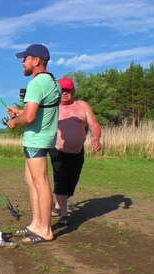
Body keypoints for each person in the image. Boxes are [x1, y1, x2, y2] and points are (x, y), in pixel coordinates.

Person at [6, 44, 60, 244]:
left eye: (25, 58)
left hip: (36, 139)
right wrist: (19, 113)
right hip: (43, 138)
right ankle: (36, 224)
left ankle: (45, 229)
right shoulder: (52, 81)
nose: (22, 62)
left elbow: (29, 118)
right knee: (30, 180)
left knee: (40, 182)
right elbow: (41, 111)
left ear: (36, 60)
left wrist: (14, 122)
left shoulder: (36, 83)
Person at [50, 77, 102, 226]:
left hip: (78, 152)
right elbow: (33, 113)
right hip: (58, 150)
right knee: (60, 179)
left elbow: (94, 125)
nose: (64, 93)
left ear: (73, 91)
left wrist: (96, 139)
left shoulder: (82, 106)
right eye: (62, 90)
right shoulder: (52, 107)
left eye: (67, 90)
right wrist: (18, 114)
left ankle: (59, 205)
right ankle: (64, 215)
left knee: (71, 181)